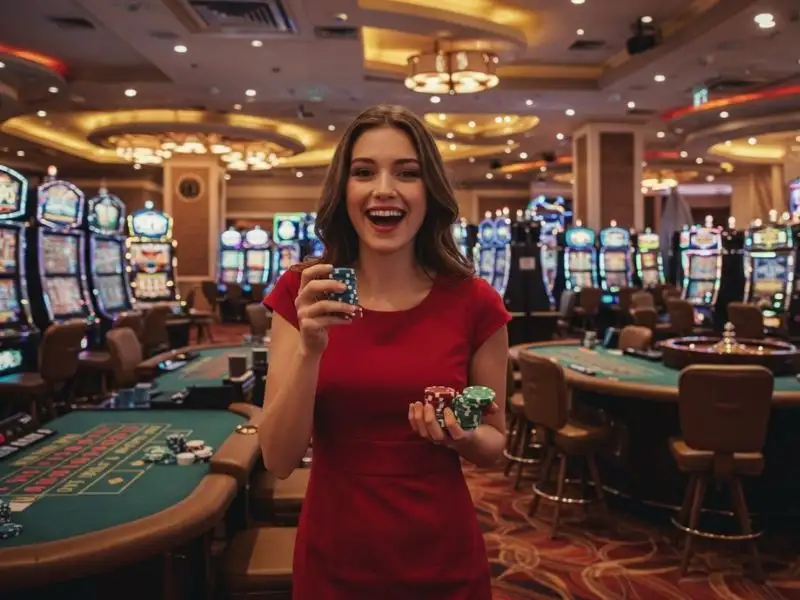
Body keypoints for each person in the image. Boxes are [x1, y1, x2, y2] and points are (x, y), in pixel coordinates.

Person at [260, 104, 510, 600]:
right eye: (363, 172)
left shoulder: (475, 300)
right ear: (344, 190)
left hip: (443, 554)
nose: (384, 189)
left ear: (429, 192)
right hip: (335, 555)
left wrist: (459, 436)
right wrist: (310, 349)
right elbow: (278, 458)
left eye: (407, 172)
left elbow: (496, 446)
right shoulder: (303, 292)